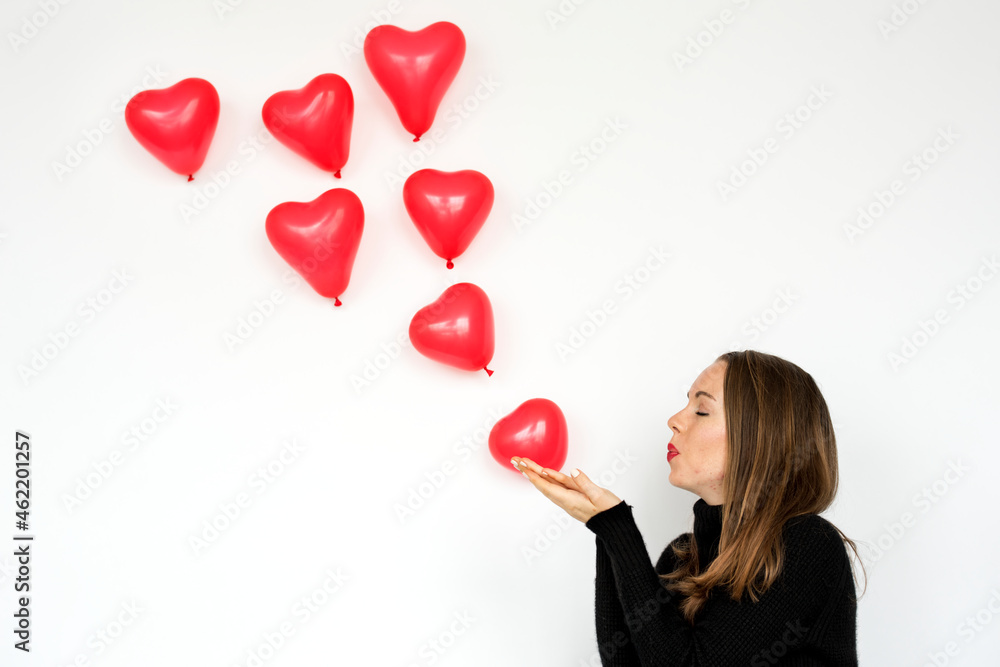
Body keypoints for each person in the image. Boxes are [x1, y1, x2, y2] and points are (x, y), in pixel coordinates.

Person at [512, 349, 866, 665]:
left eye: (701, 409)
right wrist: (605, 528)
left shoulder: (806, 545)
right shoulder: (682, 557)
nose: (675, 420)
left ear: (759, 438)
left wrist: (617, 528)